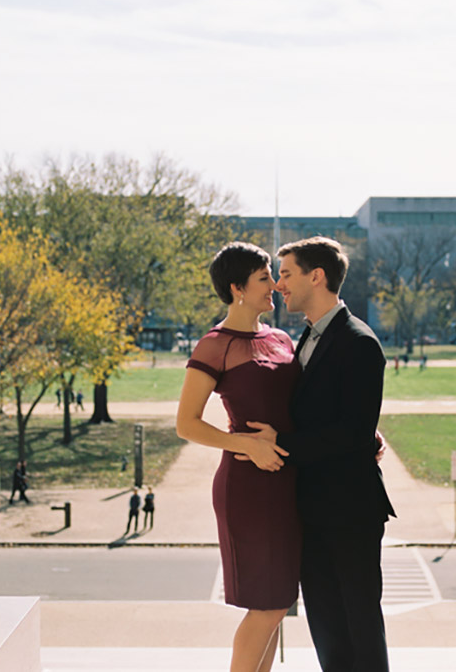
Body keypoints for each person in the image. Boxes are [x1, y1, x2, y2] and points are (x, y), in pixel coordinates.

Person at [248, 236, 395, 671]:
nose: (279, 285)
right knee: (327, 629)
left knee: (360, 627)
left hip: (350, 512)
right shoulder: (305, 338)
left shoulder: (359, 342)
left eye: (287, 274)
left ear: (318, 276)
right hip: (311, 511)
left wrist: (278, 444)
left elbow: (351, 432)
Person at [176, 242, 300, 672]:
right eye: (265, 277)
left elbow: (304, 403)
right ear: (237, 288)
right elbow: (186, 423)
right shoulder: (215, 345)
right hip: (248, 489)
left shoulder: (282, 339)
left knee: (279, 604)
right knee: (266, 605)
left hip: (288, 483)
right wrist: (246, 444)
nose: (276, 285)